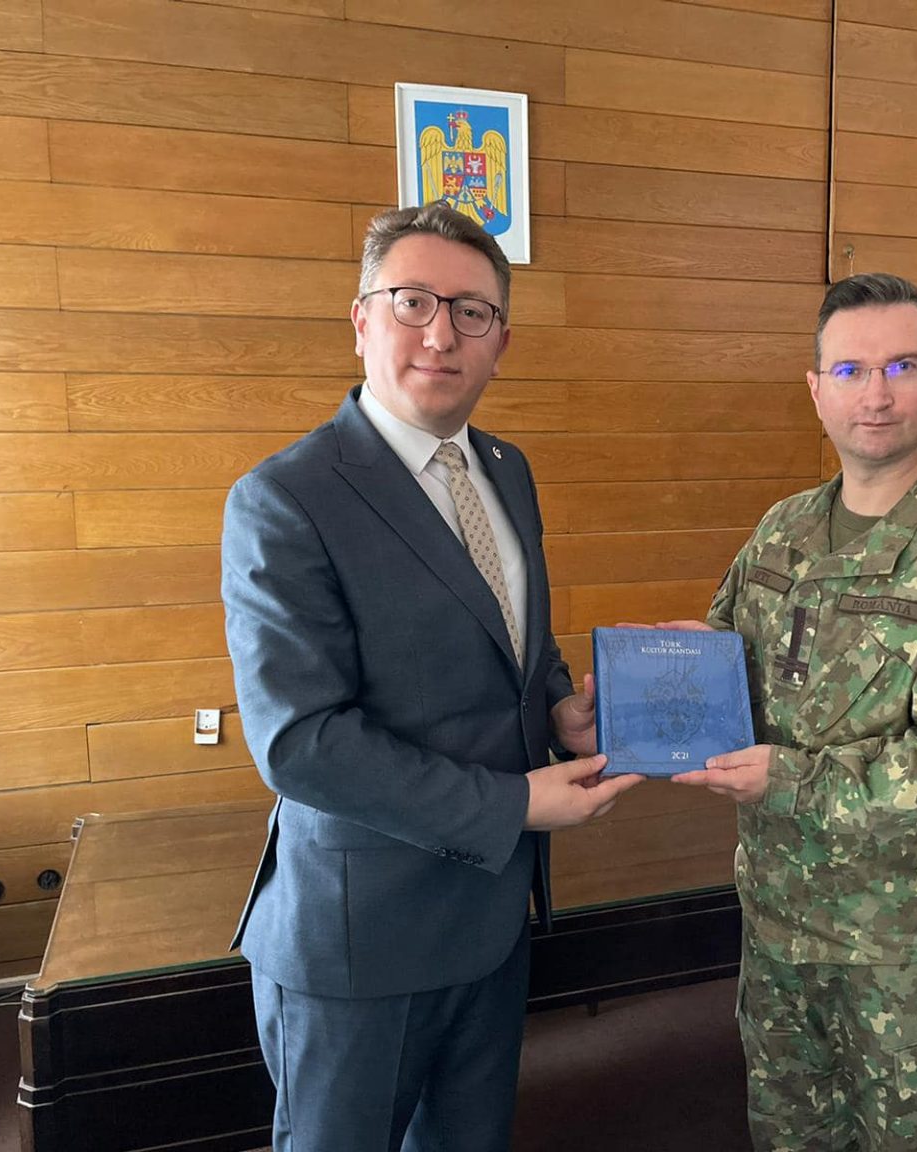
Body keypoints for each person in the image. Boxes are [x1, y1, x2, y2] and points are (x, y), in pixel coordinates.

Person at [221, 201, 642, 1152]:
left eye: (472, 312)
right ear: (362, 319)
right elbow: (300, 743)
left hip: (490, 920)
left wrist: (560, 708)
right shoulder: (285, 497)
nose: (441, 335)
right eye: (412, 302)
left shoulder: (506, 468)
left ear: (501, 342)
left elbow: (514, 637)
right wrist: (515, 803)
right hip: (360, 939)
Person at [665, 273, 917, 1150]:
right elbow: (728, 664)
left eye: (902, 366)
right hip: (778, 924)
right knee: (788, 1131)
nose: (875, 394)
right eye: (849, 370)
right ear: (816, 389)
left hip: (906, 950)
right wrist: (659, 680)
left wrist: (791, 781)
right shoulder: (782, 530)